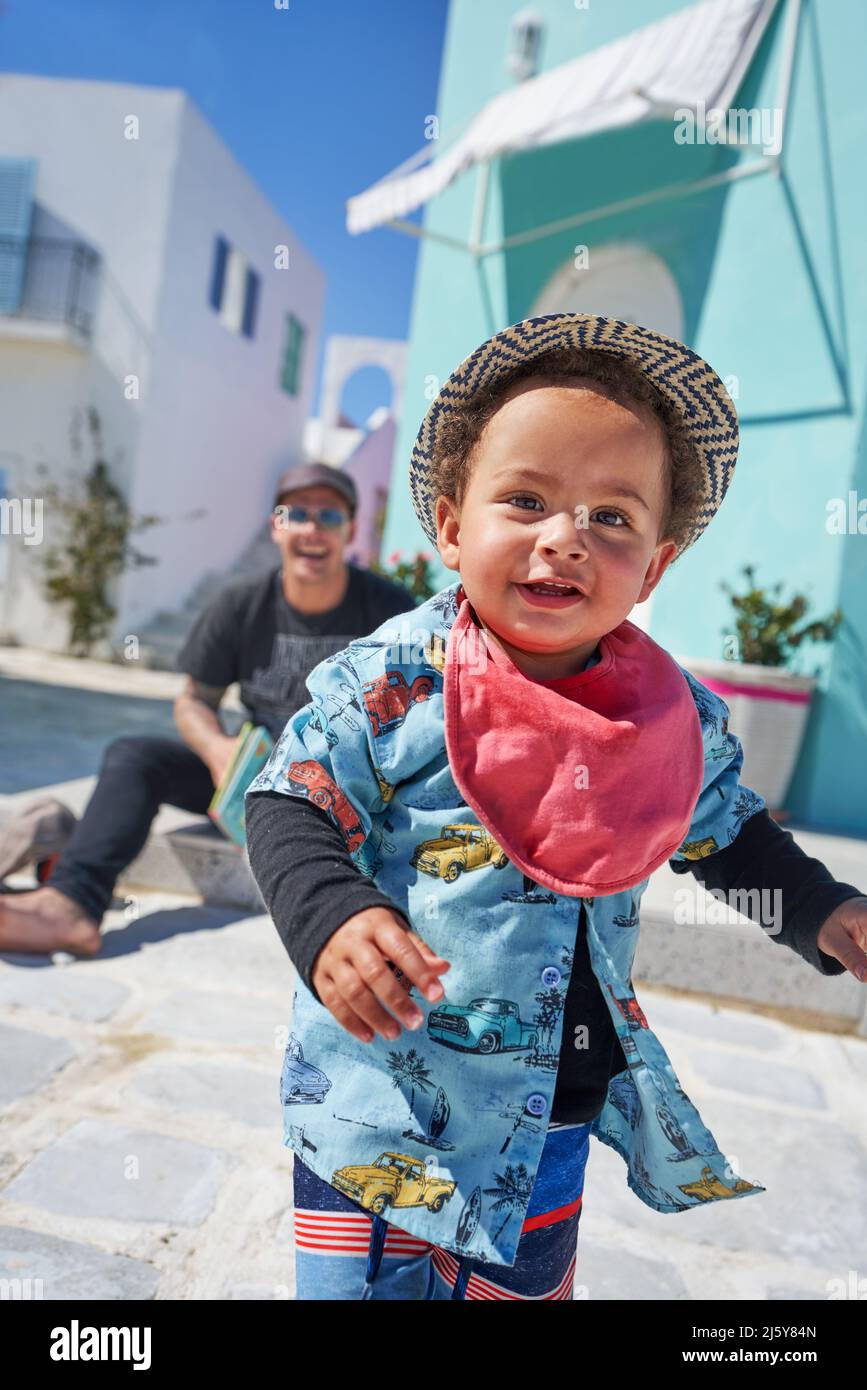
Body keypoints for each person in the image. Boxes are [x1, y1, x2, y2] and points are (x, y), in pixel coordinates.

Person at [244, 314, 867, 1301]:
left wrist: (823, 912)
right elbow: (287, 800)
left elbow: (724, 836)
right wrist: (334, 912)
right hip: (380, 1098)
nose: (564, 537)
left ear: (655, 565)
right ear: (451, 526)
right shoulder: (396, 675)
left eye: (611, 517)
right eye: (526, 497)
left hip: (551, 1105)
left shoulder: (673, 719)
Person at [0, 463, 413, 956]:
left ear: (350, 529)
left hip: (350, 782)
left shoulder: (389, 609)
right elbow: (194, 700)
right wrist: (217, 750)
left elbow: (418, 712)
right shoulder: (240, 605)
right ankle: (71, 905)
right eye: (296, 513)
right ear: (276, 526)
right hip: (257, 778)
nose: (312, 528)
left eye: (329, 515)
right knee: (134, 756)